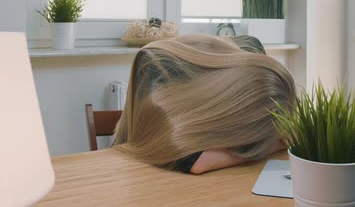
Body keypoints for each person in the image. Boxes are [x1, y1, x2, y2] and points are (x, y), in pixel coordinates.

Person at [113, 34, 296, 174]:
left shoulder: (248, 51)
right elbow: (196, 163)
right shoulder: (158, 74)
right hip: (137, 175)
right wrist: (269, 147)